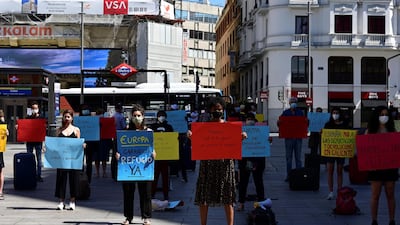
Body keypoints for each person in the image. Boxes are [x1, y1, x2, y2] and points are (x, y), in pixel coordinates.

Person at [187, 96, 247, 225]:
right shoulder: (203, 128)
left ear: (223, 110)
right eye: (215, 109)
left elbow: (233, 144)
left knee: (228, 197)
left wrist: (241, 138)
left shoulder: (230, 127)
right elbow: (199, 144)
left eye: (219, 109)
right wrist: (192, 138)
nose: (217, 112)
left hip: (225, 165)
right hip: (208, 165)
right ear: (210, 111)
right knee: (204, 197)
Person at [116, 104, 154, 225]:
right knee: (128, 193)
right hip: (129, 167)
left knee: (146, 193)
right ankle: (128, 217)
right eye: (134, 115)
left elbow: (152, 148)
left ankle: (146, 217)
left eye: (139, 115)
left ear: (143, 116)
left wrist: (154, 154)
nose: (137, 118)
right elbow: (120, 149)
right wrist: (118, 156)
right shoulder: (126, 132)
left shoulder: (148, 132)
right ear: (131, 117)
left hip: (144, 166)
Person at [366, 106, 397, 225]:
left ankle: (392, 220)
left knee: (390, 193)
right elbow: (366, 149)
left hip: (390, 167)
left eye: (386, 114)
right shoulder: (371, 131)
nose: (384, 117)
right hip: (375, 167)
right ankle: (374, 220)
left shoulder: (393, 131)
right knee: (375, 194)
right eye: (381, 114)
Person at [237, 113, 266, 211]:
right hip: (245, 161)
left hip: (257, 160)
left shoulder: (261, 131)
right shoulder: (241, 131)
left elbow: (264, 144)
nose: (250, 121)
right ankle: (241, 202)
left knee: (258, 182)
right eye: (248, 119)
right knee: (243, 183)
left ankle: (261, 202)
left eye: (251, 119)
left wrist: (268, 140)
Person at [54, 109, 82, 210]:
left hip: (73, 159)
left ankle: (72, 201)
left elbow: (79, 144)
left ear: (72, 118)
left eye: (68, 117)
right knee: (61, 179)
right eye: (65, 117)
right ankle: (61, 201)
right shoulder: (59, 130)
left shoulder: (76, 130)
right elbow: (55, 145)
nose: (66, 119)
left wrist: (82, 145)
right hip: (62, 159)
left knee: (73, 179)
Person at [323, 107, 350, 200]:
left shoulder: (344, 124)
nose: (335, 114)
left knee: (339, 171)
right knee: (330, 171)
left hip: (340, 151)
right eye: (334, 113)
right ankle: (331, 191)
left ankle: (339, 190)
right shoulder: (328, 124)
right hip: (331, 151)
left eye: (337, 112)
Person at [277, 97, 304, 181]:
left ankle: (298, 175)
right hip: (289, 138)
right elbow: (280, 123)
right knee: (289, 158)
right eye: (292, 102)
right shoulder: (285, 113)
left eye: (294, 102)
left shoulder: (300, 112)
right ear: (289, 103)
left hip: (298, 138)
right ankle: (289, 175)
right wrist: (279, 123)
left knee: (298, 158)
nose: (293, 103)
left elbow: (304, 123)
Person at [150, 110, 173, 200]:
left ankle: (166, 194)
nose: (161, 117)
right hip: (155, 156)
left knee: (165, 177)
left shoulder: (169, 127)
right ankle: (152, 194)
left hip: (165, 156)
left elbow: (172, 140)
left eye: (163, 115)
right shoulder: (153, 126)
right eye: (160, 115)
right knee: (154, 177)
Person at [26, 101, 44, 182]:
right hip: (29, 141)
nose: (34, 110)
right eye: (33, 108)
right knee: (29, 158)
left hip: (38, 142)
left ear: (38, 109)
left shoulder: (41, 118)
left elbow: (43, 130)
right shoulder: (28, 118)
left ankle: (39, 175)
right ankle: (30, 174)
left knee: (39, 160)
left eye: (36, 108)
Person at [94, 108, 112, 178]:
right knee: (102, 158)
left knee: (97, 158)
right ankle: (103, 172)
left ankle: (98, 172)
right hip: (103, 141)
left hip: (98, 141)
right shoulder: (97, 121)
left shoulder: (103, 121)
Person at [0, 110, 9, 200]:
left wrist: (6, 132)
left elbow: (6, 133)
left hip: (0, 150)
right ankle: (0, 191)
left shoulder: (2, 125)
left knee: (0, 171)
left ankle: (0, 191)